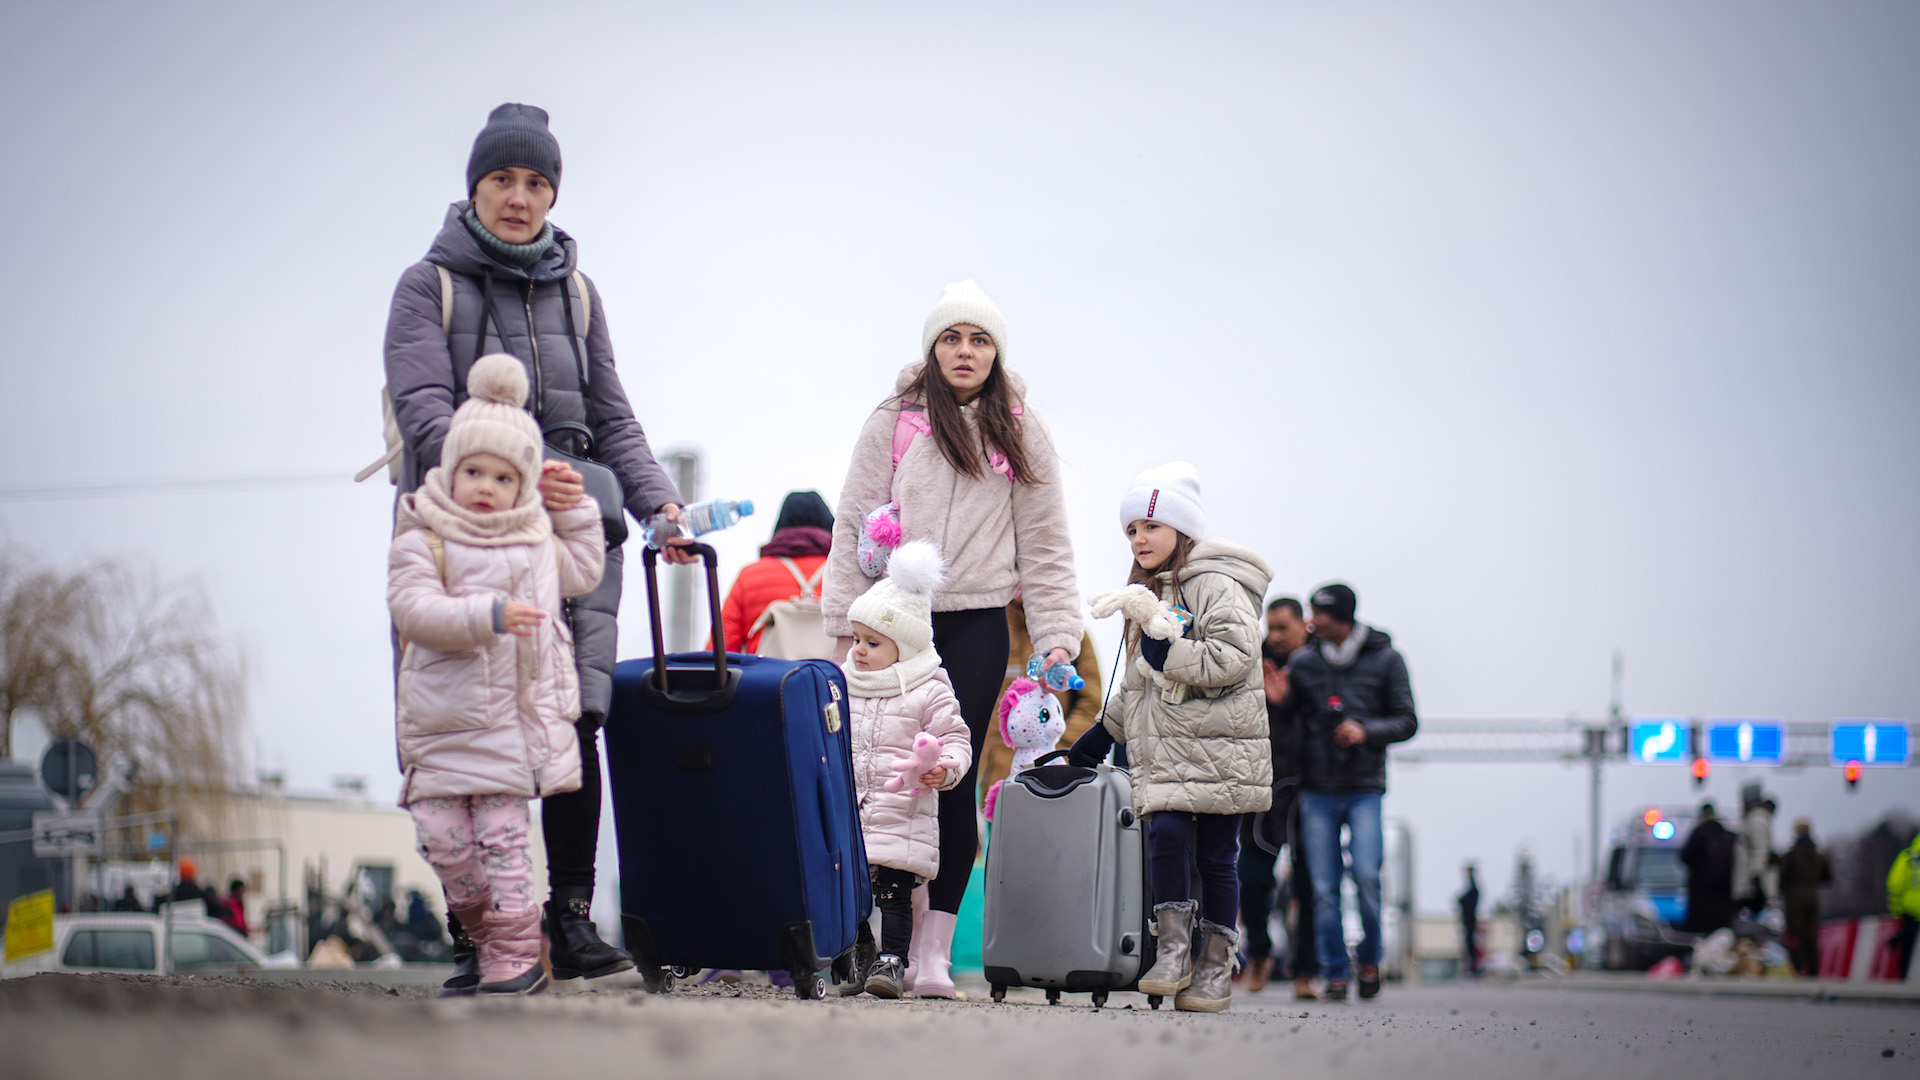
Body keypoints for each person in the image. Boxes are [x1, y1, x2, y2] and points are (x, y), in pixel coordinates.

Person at [383, 103, 687, 994]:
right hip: (459, 531)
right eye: (503, 180)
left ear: (554, 193)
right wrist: (517, 471)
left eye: (537, 183)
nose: (520, 198)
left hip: (570, 525)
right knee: (455, 722)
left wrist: (659, 502)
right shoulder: (427, 285)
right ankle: (476, 930)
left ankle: (567, 917)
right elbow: (424, 413)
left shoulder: (578, 293)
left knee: (574, 717)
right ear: (474, 187)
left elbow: (612, 416)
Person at [823, 280, 1081, 998]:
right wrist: (843, 623)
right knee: (875, 776)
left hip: (975, 620)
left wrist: (1058, 634)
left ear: (996, 352)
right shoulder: (896, 420)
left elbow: (1048, 540)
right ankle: (870, 944)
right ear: (932, 348)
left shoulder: (1021, 427)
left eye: (979, 339)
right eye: (951, 338)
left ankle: (930, 956)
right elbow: (852, 521)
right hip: (892, 616)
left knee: (949, 775)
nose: (965, 352)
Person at [388, 353, 605, 996]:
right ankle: (486, 938)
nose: (486, 486)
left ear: (524, 485)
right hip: (441, 725)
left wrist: (572, 511)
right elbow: (412, 608)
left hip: (508, 730)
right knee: (444, 843)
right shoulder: (421, 537)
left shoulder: (535, 540)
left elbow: (584, 569)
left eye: (504, 477)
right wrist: (487, 614)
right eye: (473, 471)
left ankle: (513, 960)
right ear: (449, 473)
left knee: (506, 844)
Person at [1069, 462, 1273, 1013]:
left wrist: (1171, 654)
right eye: (1131, 530)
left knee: (1216, 858)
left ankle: (1214, 970)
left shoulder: (1217, 585)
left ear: (1182, 531)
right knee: (1164, 838)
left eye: (1150, 527)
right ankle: (1173, 951)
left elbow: (1234, 656)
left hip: (1224, 744)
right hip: (1168, 750)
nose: (1139, 539)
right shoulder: (1147, 594)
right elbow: (1141, 678)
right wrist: (1099, 734)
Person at [839, 541, 973, 998]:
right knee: (851, 896)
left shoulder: (929, 689)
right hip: (851, 814)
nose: (858, 650)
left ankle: (893, 962)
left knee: (894, 894)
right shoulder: (845, 684)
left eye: (872, 643)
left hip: (902, 814)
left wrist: (946, 768)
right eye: (857, 639)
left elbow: (956, 738)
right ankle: (860, 953)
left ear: (907, 646)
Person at [1281, 582, 1418, 1001]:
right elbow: (1289, 722)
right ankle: (1336, 971)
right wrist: (1279, 700)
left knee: (1366, 876)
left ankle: (1370, 960)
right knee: (1322, 888)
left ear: (1341, 617)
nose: (1311, 621)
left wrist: (1365, 731)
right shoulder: (1303, 663)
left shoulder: (1387, 659)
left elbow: (1407, 721)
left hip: (1364, 788)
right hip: (1317, 788)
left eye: (1319, 615)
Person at [1236, 596, 1317, 998]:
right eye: (1273, 627)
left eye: (1285, 627)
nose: (1277, 636)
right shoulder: (1256, 660)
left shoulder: (1318, 664)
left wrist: (1289, 703)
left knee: (1308, 887)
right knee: (1251, 882)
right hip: (1262, 785)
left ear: (1305, 626)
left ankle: (1306, 971)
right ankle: (1260, 955)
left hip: (1310, 788)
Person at [976, 594, 1104, 806]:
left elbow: (1091, 705)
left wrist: (1054, 753)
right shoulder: (983, 631)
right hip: (988, 778)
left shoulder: (1071, 637)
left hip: (1052, 780)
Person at [716, 490, 835, 655]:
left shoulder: (749, 576)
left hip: (767, 679)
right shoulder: (844, 574)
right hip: (832, 679)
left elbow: (720, 650)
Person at [1775, 820, 1830, 977]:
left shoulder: (1790, 856)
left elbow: (1782, 877)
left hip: (1794, 901)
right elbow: (1827, 877)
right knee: (1811, 938)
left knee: (1794, 937)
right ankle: (1814, 972)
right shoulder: (1818, 856)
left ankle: (1797, 969)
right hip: (1813, 900)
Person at [1679, 802, 1738, 935]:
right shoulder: (1728, 835)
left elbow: (1685, 857)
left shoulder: (1699, 833)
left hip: (1700, 896)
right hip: (1724, 900)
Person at [1733, 793, 1777, 919]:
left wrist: (1756, 878)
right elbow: (1761, 851)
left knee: (1747, 924)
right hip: (1753, 883)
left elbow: (1759, 852)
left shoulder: (1755, 820)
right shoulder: (1759, 821)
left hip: (1749, 884)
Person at [1889, 831, 1920, 981]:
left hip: (1909, 909)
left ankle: (1904, 976)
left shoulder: (1907, 857)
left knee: (1907, 946)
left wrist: (1896, 910)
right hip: (1911, 910)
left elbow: (1895, 884)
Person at [1457, 863, 1481, 978]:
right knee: (1468, 944)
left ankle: (1473, 968)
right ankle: (1471, 967)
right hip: (1468, 920)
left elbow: (1468, 896)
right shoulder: (1472, 887)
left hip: (1470, 920)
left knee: (1470, 944)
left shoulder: (1473, 889)